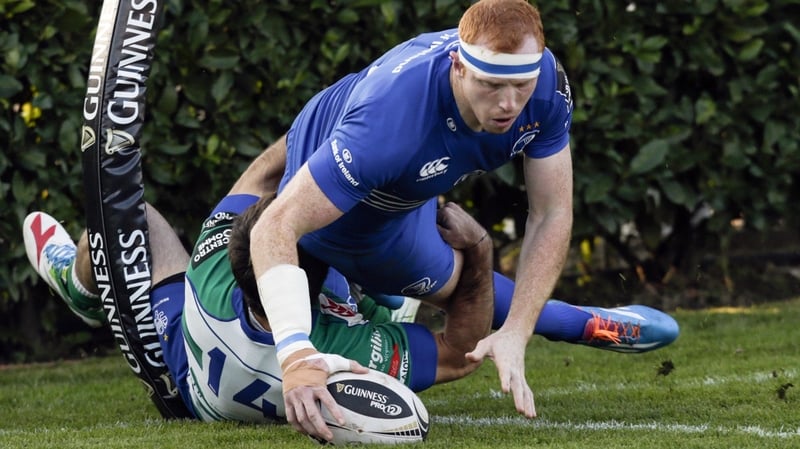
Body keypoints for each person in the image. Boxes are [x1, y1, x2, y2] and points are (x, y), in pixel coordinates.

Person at [23, 138, 678, 442]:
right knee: (405, 281)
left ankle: (82, 286)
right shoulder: (338, 345)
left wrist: (341, 141)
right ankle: (580, 321)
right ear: (314, 285)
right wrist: (476, 258)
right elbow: (457, 352)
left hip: (190, 344)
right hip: (213, 372)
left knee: (122, 224)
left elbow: (263, 170)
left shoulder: (221, 260)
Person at [248, 0, 576, 433]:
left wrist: (517, 330)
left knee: (480, 302)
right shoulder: (389, 122)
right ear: (457, 66)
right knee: (464, 301)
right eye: (492, 84)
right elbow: (275, 224)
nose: (509, 103)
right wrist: (294, 353)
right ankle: (365, 292)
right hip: (336, 215)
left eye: (521, 84)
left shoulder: (547, 85)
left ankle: (583, 324)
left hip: (408, 199)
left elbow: (553, 212)